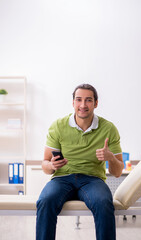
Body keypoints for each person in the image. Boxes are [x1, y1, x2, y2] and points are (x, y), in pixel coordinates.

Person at [36, 84, 124, 240]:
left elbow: (117, 172)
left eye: (88, 100)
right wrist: (51, 165)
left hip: (93, 180)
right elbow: (45, 165)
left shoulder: (109, 129)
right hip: (62, 178)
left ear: (96, 103)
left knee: (104, 203)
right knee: (45, 201)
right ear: (73, 103)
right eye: (79, 100)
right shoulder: (58, 126)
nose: (83, 105)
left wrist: (110, 157)